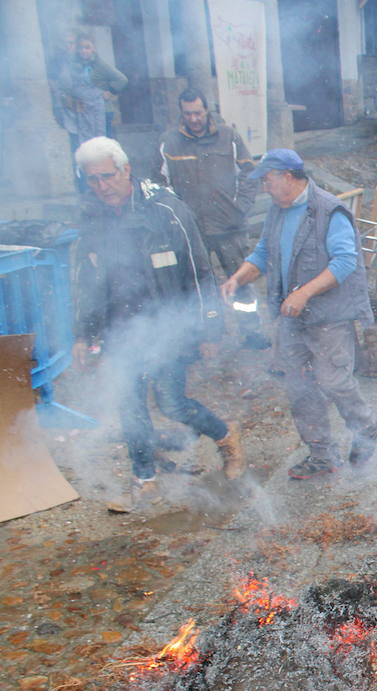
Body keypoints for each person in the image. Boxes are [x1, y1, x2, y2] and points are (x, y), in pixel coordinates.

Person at [69, 137, 243, 513]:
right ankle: (144, 482)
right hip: (122, 332)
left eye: (107, 176)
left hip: (169, 328)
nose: (101, 186)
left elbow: (198, 273)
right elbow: (87, 282)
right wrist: (84, 334)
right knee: (130, 406)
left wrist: (210, 330)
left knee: (172, 403)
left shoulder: (167, 211)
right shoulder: (92, 219)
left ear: (126, 169)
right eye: (93, 179)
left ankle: (226, 437)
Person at [221, 149, 377, 480]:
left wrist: (304, 292)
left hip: (328, 315)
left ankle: (366, 423)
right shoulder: (277, 212)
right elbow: (263, 253)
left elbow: (344, 262)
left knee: (333, 380)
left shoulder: (329, 211)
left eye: (268, 180)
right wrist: (238, 278)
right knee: (299, 386)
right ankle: (322, 454)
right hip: (290, 318)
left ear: (288, 177)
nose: (265, 187)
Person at [156, 88, 268, 350]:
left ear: (207, 110)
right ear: (181, 114)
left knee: (240, 281)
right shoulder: (169, 142)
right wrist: (177, 216)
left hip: (229, 226)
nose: (193, 118)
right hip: (192, 229)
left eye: (197, 112)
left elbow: (249, 173)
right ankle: (207, 335)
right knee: (198, 285)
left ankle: (251, 332)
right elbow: (159, 182)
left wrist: (240, 207)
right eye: (187, 114)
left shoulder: (228, 136)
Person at [53, 32, 126, 186]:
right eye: (81, 48)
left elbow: (121, 79)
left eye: (87, 48)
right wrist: (71, 101)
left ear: (93, 49)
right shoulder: (73, 66)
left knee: (104, 149)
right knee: (84, 150)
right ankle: (87, 184)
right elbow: (65, 89)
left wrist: (109, 92)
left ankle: (112, 180)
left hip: (102, 112)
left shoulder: (99, 64)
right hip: (82, 113)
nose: (84, 51)